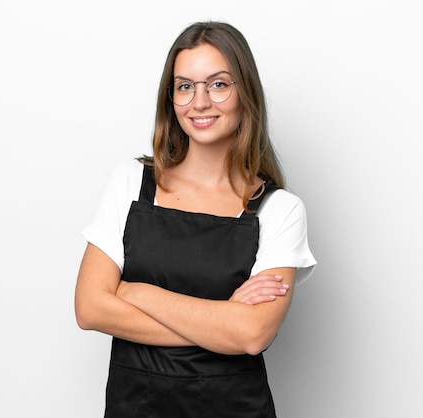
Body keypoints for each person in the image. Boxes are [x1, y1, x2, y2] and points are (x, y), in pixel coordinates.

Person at [75, 20, 317, 418]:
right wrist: (221, 320)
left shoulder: (280, 210)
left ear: (246, 93)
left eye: (218, 84)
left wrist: (135, 292)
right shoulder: (131, 182)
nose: (199, 102)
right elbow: (90, 308)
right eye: (185, 86)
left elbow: (252, 334)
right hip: (135, 407)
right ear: (170, 98)